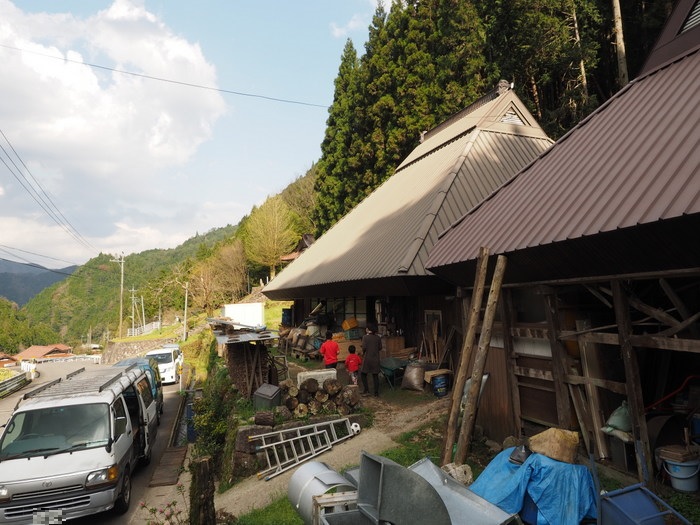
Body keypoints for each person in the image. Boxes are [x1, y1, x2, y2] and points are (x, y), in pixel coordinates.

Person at [360, 324, 382, 396]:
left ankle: (366, 390)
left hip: (367, 359)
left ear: (368, 329)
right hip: (376, 359)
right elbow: (380, 348)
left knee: (363, 374)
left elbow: (364, 348)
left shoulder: (365, 337)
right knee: (375, 375)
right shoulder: (378, 338)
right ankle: (376, 393)